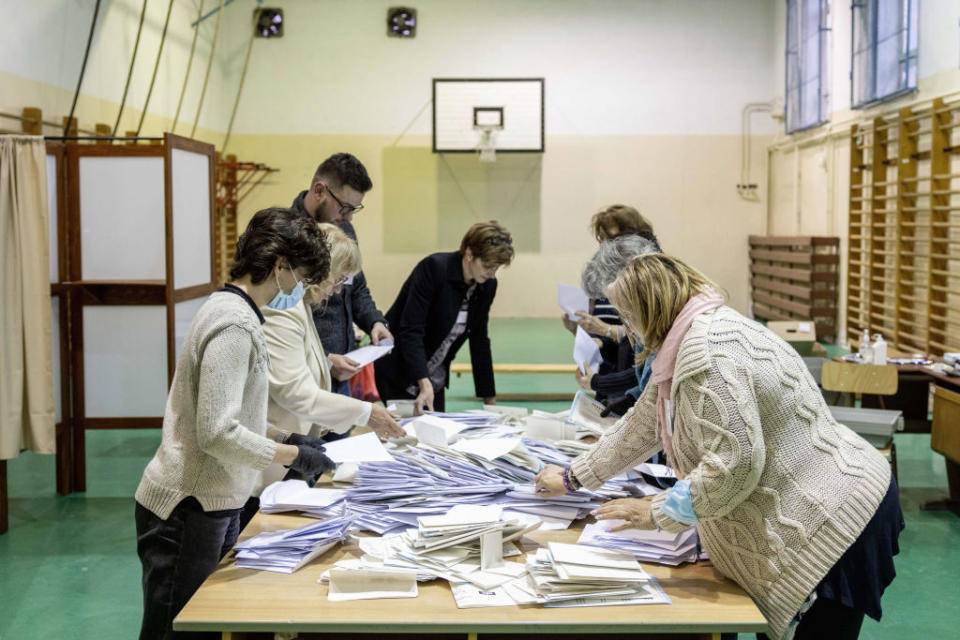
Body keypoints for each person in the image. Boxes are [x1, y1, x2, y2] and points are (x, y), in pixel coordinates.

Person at [536, 254, 903, 640]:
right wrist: (573, 476)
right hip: (826, 499)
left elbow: (735, 464)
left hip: (835, 515)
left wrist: (657, 512)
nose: (627, 330)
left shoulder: (706, 355)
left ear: (650, 309)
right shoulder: (691, 335)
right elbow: (644, 424)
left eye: (628, 317)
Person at [134, 208, 339, 639]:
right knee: (177, 631)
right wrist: (292, 455)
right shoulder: (234, 324)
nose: (300, 291)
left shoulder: (236, 311)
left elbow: (234, 413)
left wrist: (287, 436)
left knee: (207, 625)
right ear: (280, 267)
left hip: (212, 500)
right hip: (188, 504)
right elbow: (216, 431)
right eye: (301, 278)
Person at [241, 224, 406, 528]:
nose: (339, 289)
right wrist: (366, 413)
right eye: (339, 279)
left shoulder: (299, 304)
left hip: (283, 449)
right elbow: (294, 392)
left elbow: (297, 366)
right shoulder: (286, 308)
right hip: (266, 458)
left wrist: (328, 364)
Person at [374, 221, 514, 414]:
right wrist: (423, 381)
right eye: (488, 266)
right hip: (400, 370)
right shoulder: (434, 269)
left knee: (436, 436)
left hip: (434, 377)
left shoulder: (486, 286)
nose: (492, 273)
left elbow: (479, 340)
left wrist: (489, 399)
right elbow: (411, 330)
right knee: (408, 436)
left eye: (496, 268)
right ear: (469, 254)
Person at [291, 153, 392, 396]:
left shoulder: (343, 228)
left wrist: (374, 322)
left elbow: (356, 287)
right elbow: (280, 321)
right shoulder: (288, 235)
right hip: (303, 378)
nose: (348, 217)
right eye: (344, 207)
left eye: (354, 208)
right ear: (319, 191)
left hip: (342, 373)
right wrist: (325, 360)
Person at [573, 234, 660, 416]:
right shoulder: (642, 313)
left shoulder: (657, 317)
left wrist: (598, 382)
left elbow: (648, 373)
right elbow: (644, 373)